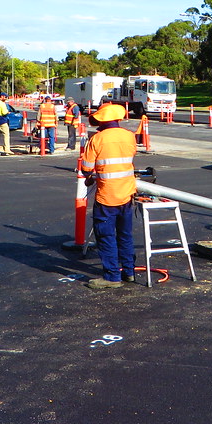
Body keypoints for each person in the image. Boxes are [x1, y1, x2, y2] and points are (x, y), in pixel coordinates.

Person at [81, 103, 137, 288]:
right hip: (127, 194)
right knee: (125, 235)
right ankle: (129, 272)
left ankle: (112, 277)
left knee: (106, 236)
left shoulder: (97, 139)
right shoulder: (129, 136)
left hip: (107, 197)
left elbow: (86, 168)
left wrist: (91, 177)